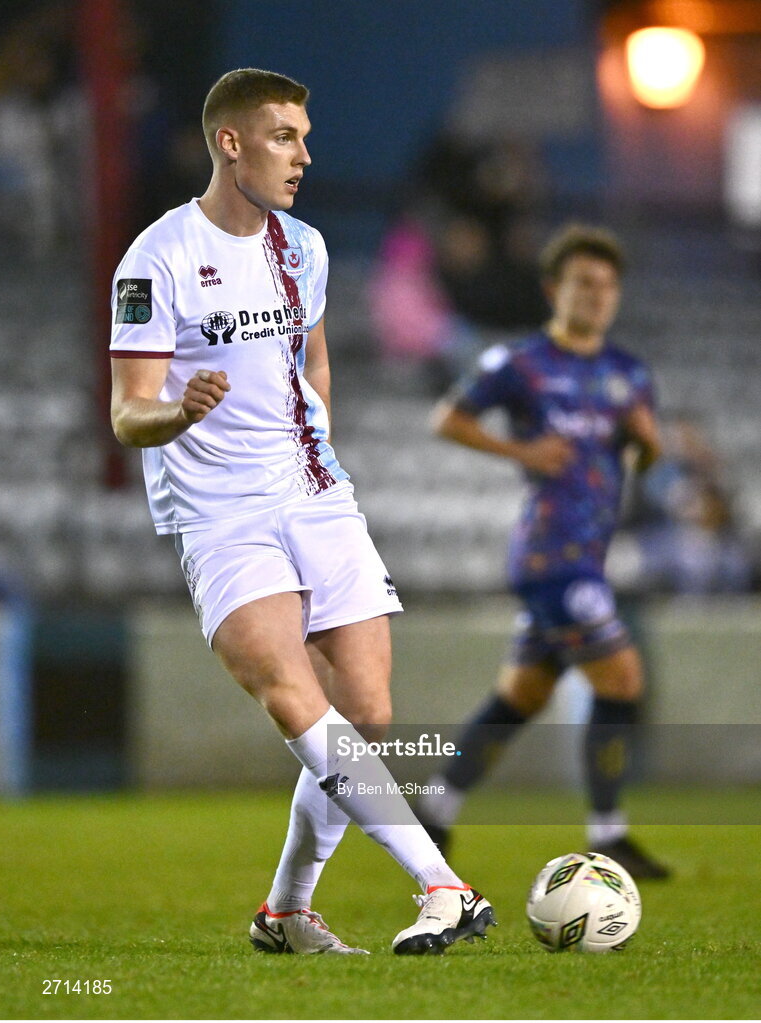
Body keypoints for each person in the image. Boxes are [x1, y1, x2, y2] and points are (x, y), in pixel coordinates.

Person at [108, 67, 495, 955]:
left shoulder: (304, 249)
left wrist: (314, 448)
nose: (304, 154)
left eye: (305, 137)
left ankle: (285, 913)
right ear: (229, 142)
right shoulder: (154, 259)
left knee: (367, 714)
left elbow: (312, 361)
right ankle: (443, 883)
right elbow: (128, 411)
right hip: (219, 514)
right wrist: (180, 412)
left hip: (313, 494)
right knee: (293, 697)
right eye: (284, 135)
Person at [415, 223, 671, 880]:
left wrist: (650, 443)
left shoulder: (626, 372)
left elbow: (644, 454)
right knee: (622, 679)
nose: (597, 296)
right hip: (549, 558)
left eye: (608, 285)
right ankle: (607, 833)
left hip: (588, 554)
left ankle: (434, 810)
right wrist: (519, 450)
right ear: (553, 288)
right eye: (584, 283)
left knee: (520, 695)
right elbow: (447, 417)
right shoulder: (521, 363)